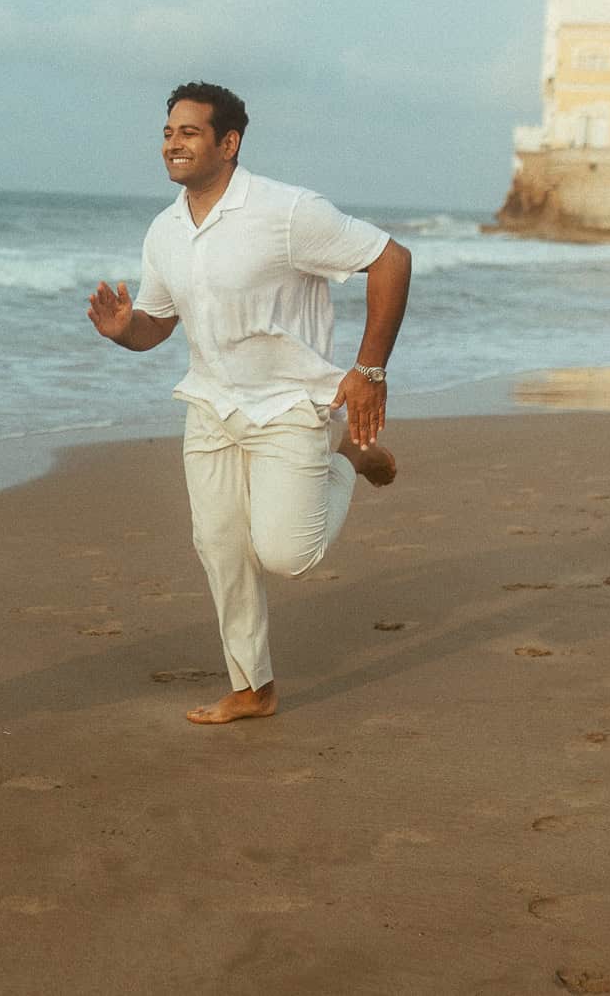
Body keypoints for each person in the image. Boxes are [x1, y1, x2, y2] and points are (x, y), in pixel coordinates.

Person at [87, 81, 410, 724]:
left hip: (288, 403)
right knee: (220, 547)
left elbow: (391, 259)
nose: (172, 144)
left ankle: (348, 458)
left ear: (228, 144)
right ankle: (252, 686)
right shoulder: (166, 230)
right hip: (210, 404)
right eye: (167, 132)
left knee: (288, 555)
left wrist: (369, 370)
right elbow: (157, 322)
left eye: (188, 132)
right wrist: (126, 330)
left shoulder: (288, 212)